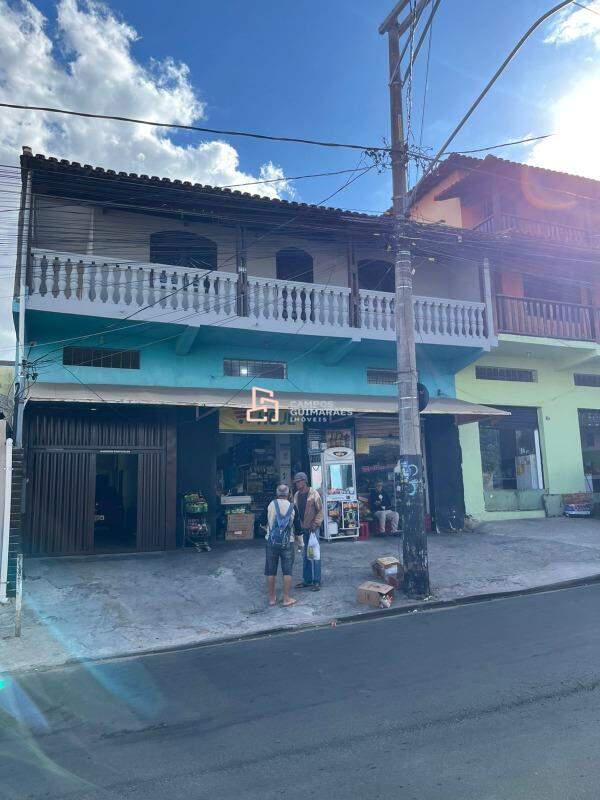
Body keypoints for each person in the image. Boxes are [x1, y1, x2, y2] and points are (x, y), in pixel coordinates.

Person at [265, 484, 296, 607]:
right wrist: (301, 544)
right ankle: (286, 599)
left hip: (271, 542)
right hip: (288, 542)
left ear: (277, 493)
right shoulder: (292, 507)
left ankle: (272, 599)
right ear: (288, 494)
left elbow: (263, 521)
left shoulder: (271, 505)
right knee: (287, 571)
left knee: (270, 571)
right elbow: (298, 528)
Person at [293, 472, 324, 591]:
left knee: (315, 555)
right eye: (296, 482)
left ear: (304, 481)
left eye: (298, 482)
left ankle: (317, 581)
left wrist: (316, 523)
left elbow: (320, 510)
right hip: (303, 529)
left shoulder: (314, 494)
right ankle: (307, 580)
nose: (296, 484)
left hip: (313, 529)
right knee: (305, 555)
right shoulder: (296, 495)